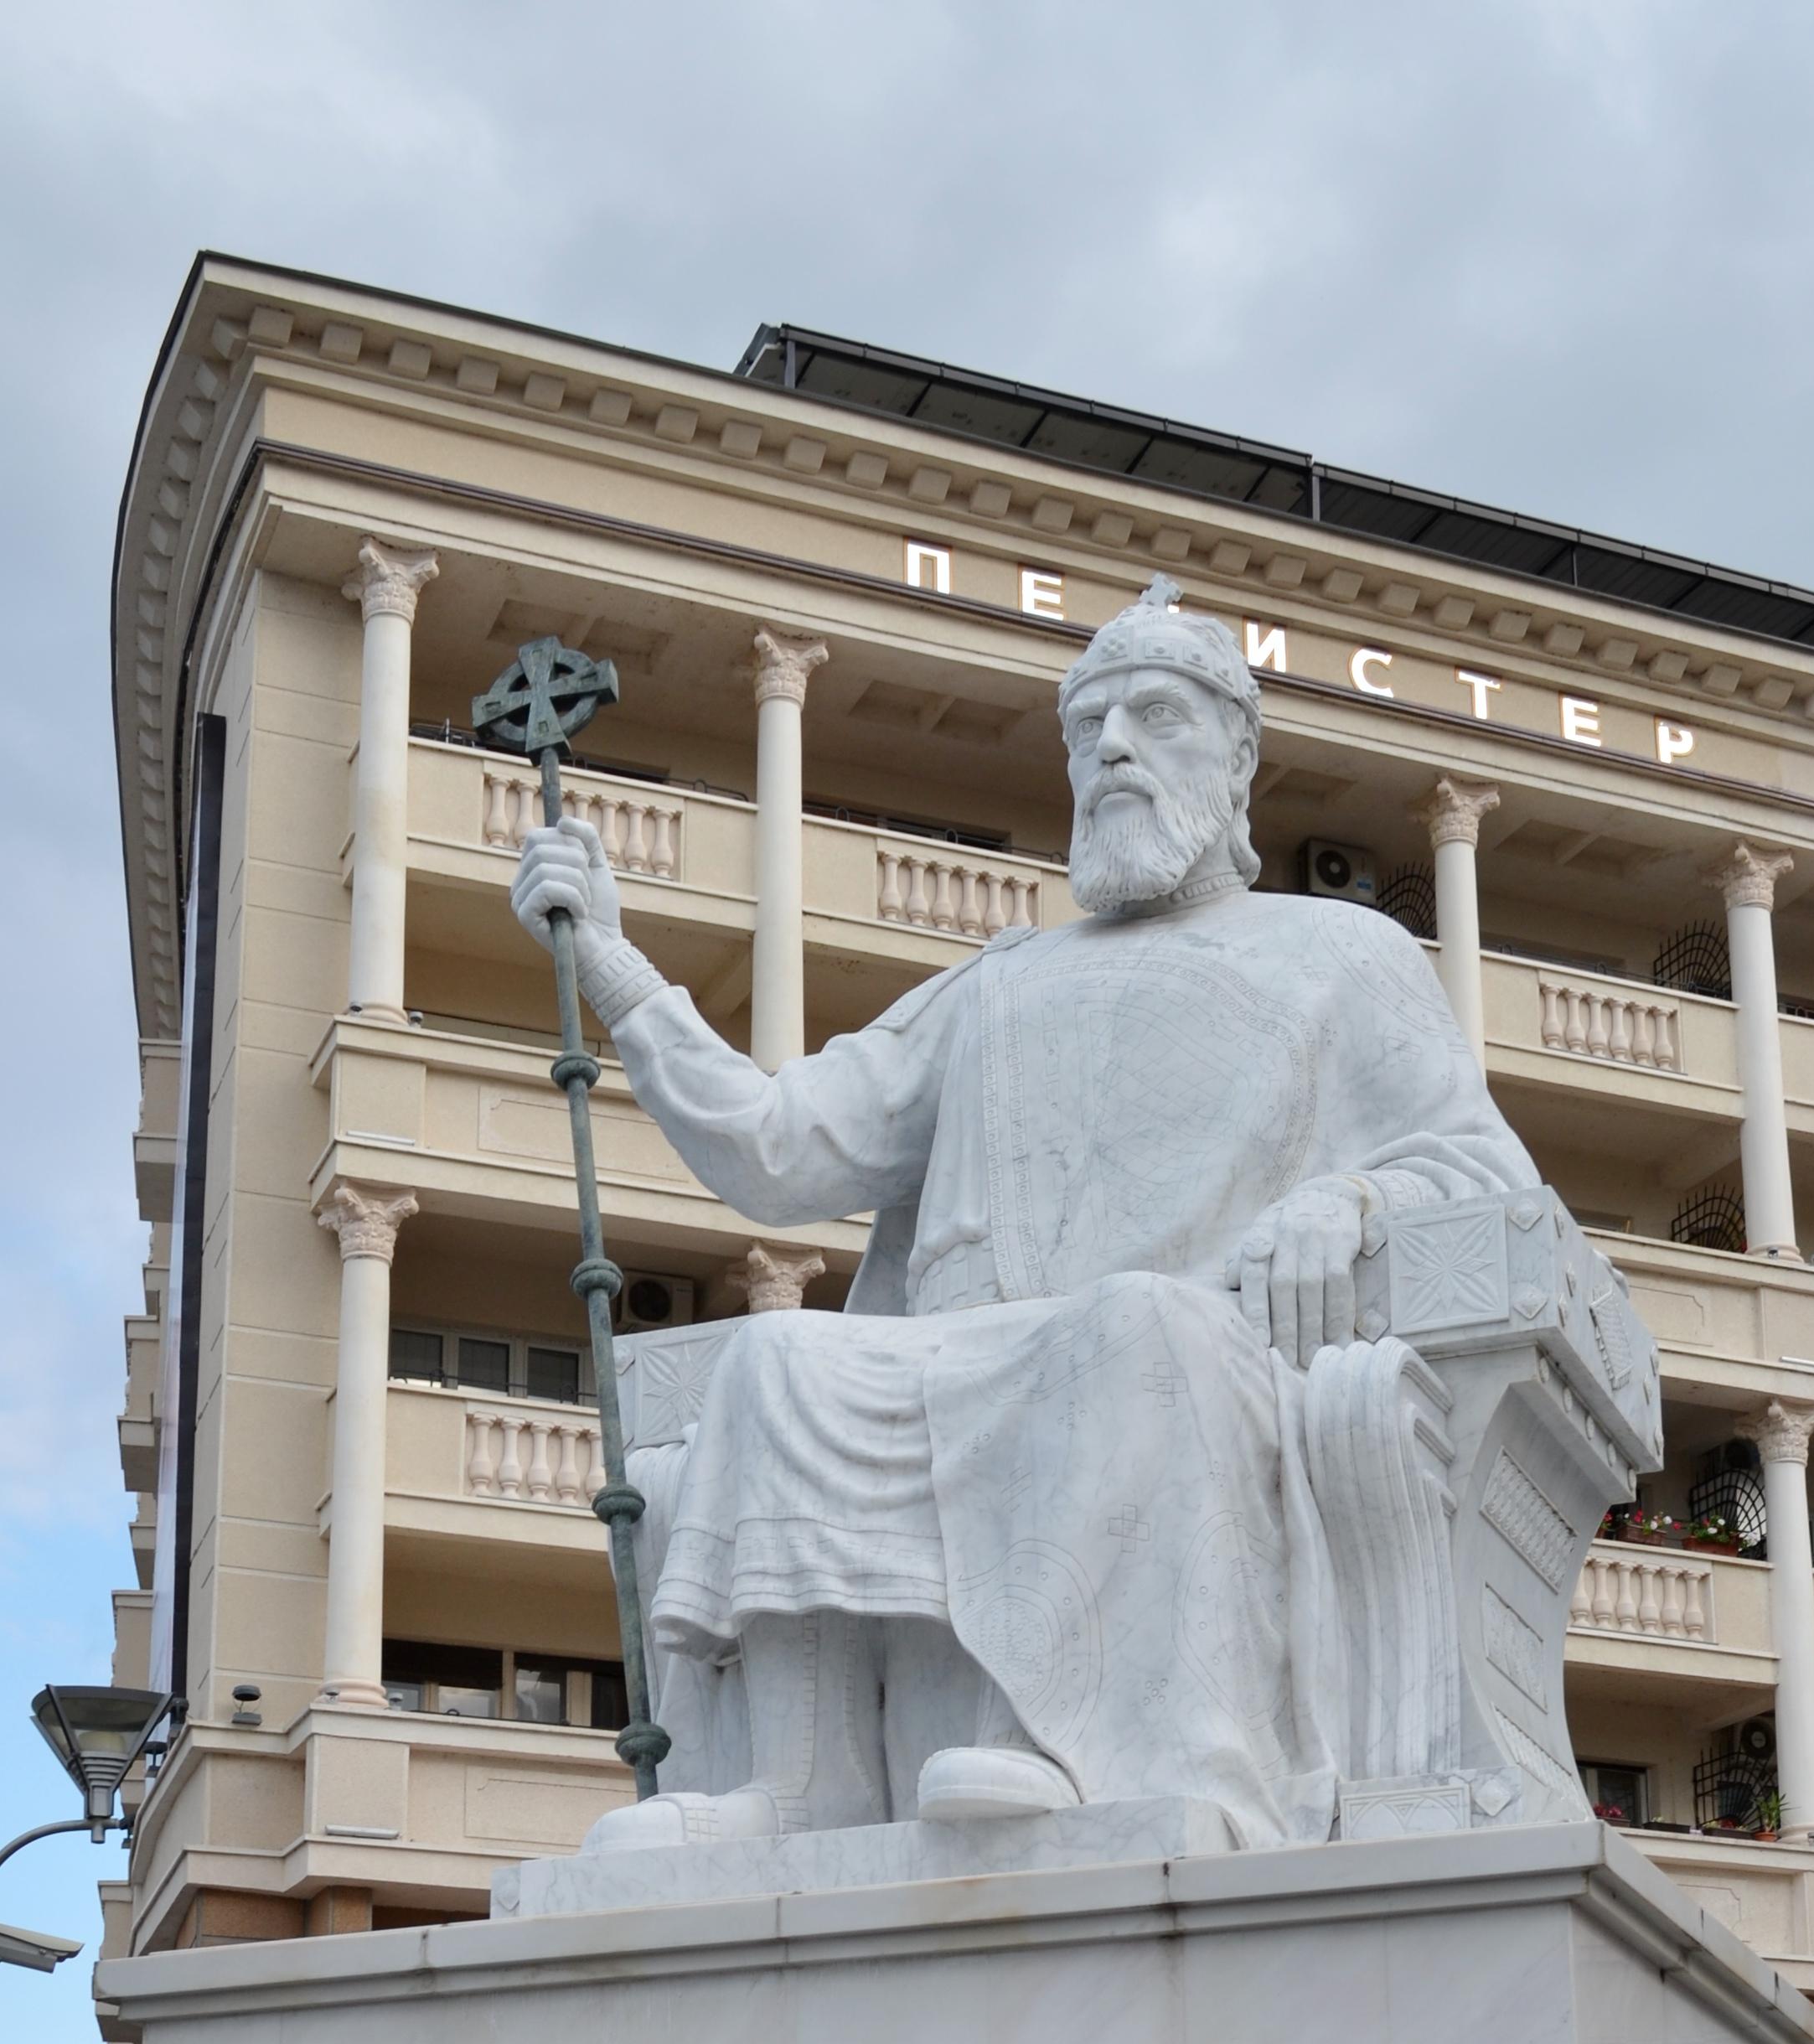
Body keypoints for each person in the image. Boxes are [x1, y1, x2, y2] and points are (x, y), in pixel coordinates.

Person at [510, 581, 1641, 1856]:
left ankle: (1069, 1746)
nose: (1111, 748)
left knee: (1127, 1330)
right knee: (776, 1355)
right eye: (1088, 725)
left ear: (1237, 758)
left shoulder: (1342, 955)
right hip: (977, 1355)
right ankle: (802, 1778)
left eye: (1154, 716)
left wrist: (1357, 1199)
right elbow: (783, 1148)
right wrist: (609, 958)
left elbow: (1484, 1174)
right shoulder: (998, 984)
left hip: (1194, 1349)